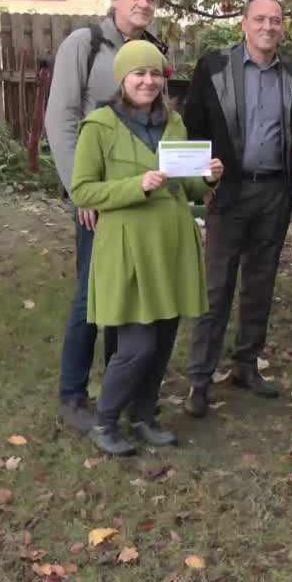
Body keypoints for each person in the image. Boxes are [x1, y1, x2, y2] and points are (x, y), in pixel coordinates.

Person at [69, 40, 225, 455]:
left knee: (164, 337)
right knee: (138, 345)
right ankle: (105, 422)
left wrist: (208, 177)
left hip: (171, 246)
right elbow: (83, 189)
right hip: (127, 247)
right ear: (123, 78)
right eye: (139, 73)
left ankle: (143, 416)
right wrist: (135, 185)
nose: (148, 80)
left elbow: (188, 185)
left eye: (155, 73)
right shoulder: (99, 125)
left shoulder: (173, 124)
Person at [46, 0, 168, 432]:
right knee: (91, 296)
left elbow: (157, 124)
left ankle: (118, 386)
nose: (143, 3)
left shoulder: (154, 53)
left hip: (142, 199)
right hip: (97, 197)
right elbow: (61, 118)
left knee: (128, 295)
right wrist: (80, 190)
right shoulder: (84, 45)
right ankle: (73, 394)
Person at [182, 0, 292, 418]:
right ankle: (200, 378)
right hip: (229, 192)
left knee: (260, 284)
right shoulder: (214, 67)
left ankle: (246, 364)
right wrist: (203, 179)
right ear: (243, 23)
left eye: (275, 20)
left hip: (274, 192)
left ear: (283, 27)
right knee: (216, 287)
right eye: (260, 19)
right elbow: (193, 126)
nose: (267, 27)